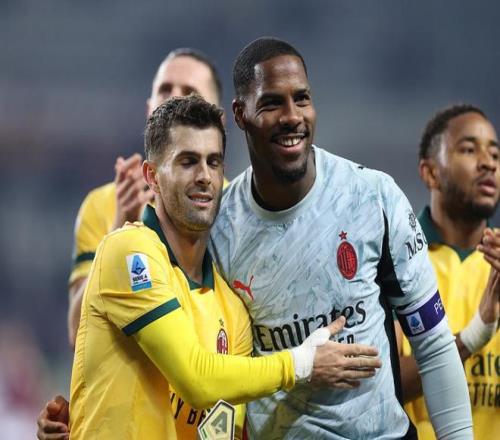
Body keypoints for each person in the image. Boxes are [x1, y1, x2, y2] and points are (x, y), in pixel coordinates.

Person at [40, 95, 382, 440]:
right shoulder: (129, 252)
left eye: (213, 162)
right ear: (152, 176)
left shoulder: (232, 309)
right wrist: (301, 363)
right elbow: (196, 380)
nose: (204, 176)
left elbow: (221, 425)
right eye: (188, 162)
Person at [205, 37, 472, 439]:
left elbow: (433, 344)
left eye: (302, 98)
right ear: (240, 114)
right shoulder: (220, 229)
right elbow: (216, 371)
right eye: (272, 103)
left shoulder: (374, 198)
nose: (292, 116)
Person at [68, 48, 224, 348]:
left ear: (217, 118)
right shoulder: (102, 205)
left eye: (189, 93)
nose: (173, 99)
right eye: (165, 90)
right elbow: (78, 334)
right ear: (150, 108)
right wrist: (120, 229)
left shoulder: (234, 205)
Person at [397, 104, 500, 440]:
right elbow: (384, 386)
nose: (488, 163)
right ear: (430, 173)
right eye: (469, 150)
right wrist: (475, 334)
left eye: (495, 154)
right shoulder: (396, 263)